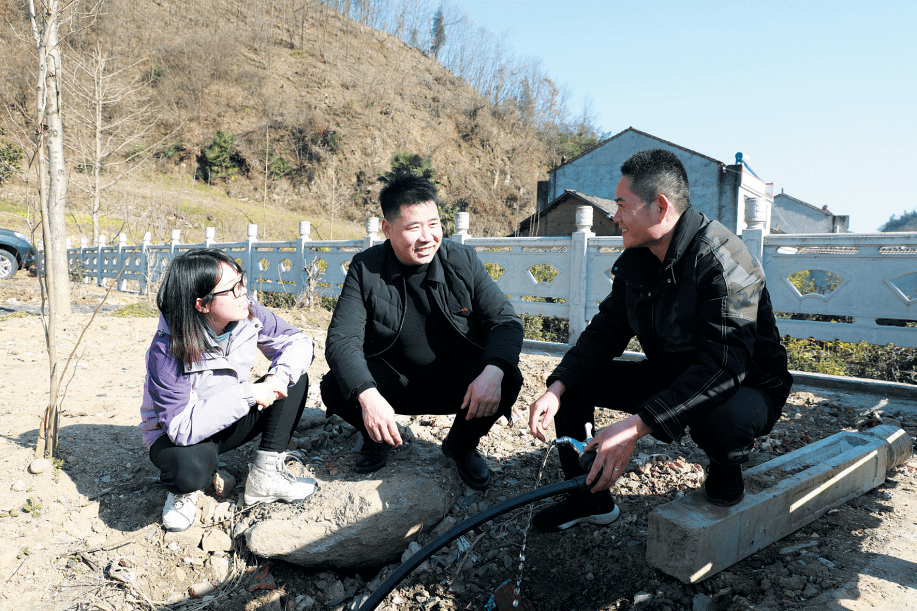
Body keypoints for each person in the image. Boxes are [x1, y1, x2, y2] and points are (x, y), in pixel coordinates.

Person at [528, 149, 792, 531]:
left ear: (660, 206)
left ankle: (725, 466)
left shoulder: (723, 260)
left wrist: (636, 426)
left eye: (622, 206)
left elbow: (723, 366)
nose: (614, 216)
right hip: (671, 371)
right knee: (573, 384)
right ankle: (590, 499)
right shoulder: (639, 255)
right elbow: (605, 331)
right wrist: (557, 386)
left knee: (720, 423)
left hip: (745, 383)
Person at [321, 171, 524, 490]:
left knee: (507, 376)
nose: (427, 236)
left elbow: (505, 320)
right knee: (336, 386)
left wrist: (493, 370)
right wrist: (368, 394)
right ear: (387, 228)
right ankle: (377, 438)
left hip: (457, 384)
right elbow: (341, 340)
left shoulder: (462, 259)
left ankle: (461, 445)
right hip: (394, 384)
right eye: (414, 227)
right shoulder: (366, 267)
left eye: (433, 224)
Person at [140, 248, 317, 532]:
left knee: (292, 379)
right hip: (177, 434)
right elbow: (181, 427)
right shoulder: (168, 348)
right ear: (202, 304)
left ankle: (265, 476)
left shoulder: (247, 312)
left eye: (242, 281)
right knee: (190, 472)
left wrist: (277, 376)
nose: (243, 292)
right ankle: (182, 494)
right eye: (232, 289)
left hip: (227, 417)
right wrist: (248, 394)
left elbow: (297, 342)